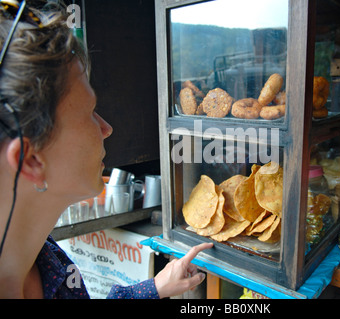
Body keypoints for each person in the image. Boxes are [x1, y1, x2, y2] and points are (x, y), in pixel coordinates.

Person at [0, 0, 213, 299]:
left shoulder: (43, 257)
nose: (106, 128)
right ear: (31, 159)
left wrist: (153, 288)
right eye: (89, 112)